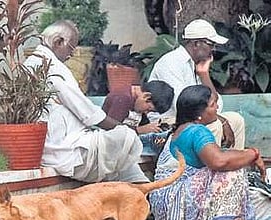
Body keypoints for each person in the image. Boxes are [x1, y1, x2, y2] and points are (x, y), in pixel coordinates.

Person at [24, 20, 149, 183]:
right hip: (67, 150)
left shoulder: (30, 64)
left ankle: (141, 189)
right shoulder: (52, 67)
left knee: (123, 159)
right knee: (125, 138)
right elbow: (86, 111)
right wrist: (125, 130)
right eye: (71, 49)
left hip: (53, 146)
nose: (71, 55)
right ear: (58, 42)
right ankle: (144, 191)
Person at [148, 85, 266, 220]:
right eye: (213, 105)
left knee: (232, 161)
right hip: (177, 202)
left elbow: (220, 155)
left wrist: (248, 154)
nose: (217, 107)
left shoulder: (182, 129)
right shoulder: (197, 131)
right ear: (199, 114)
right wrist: (253, 154)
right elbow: (219, 162)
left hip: (165, 208)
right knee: (233, 170)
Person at [148, 19, 245, 150]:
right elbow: (184, 107)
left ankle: (234, 169)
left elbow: (216, 105)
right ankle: (207, 169)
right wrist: (222, 121)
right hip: (167, 121)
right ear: (196, 43)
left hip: (193, 118)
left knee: (236, 120)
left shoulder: (197, 65)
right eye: (211, 44)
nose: (214, 49)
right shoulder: (170, 62)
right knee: (214, 124)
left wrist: (203, 74)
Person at [102, 80, 174, 155]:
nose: (146, 112)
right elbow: (112, 131)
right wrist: (139, 130)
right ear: (146, 96)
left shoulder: (137, 100)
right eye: (148, 109)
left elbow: (144, 124)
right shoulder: (123, 98)